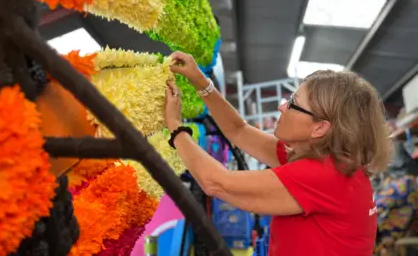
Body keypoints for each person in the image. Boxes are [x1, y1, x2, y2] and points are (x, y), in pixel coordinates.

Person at [164, 51, 393, 256]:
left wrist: (175, 125)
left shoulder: (322, 175)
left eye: (293, 103)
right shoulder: (327, 159)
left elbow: (215, 183)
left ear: (320, 128)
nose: (282, 106)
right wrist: (199, 81)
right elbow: (239, 130)